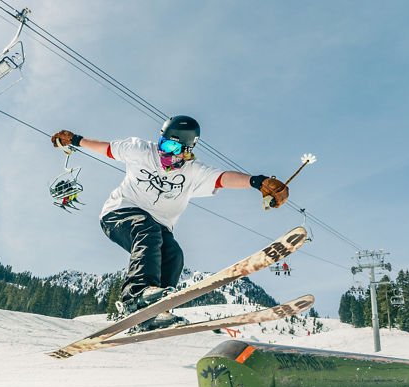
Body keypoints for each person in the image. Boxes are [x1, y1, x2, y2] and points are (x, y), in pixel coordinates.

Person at [51, 115, 288, 329]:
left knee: (174, 255)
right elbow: (107, 149)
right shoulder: (141, 150)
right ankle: (136, 295)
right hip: (119, 213)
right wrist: (75, 139)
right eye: (163, 143)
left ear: (186, 150)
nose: (164, 151)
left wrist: (258, 182)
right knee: (146, 229)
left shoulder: (194, 172)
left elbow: (223, 179)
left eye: (173, 146)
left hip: (159, 225)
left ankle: (154, 312)